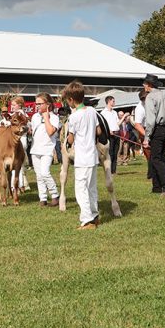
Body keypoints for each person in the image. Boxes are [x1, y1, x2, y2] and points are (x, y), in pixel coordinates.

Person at [63, 81, 101, 229]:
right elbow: (98, 132)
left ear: (71, 100)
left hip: (82, 158)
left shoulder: (74, 117)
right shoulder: (92, 111)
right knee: (92, 188)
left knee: (81, 189)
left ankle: (87, 220)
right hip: (92, 156)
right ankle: (95, 215)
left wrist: (68, 137)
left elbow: (71, 139)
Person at [141, 74, 165, 197]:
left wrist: (146, 137)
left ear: (149, 85)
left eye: (144, 83)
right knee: (160, 157)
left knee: (156, 159)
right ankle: (156, 186)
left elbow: (150, 121)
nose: (143, 85)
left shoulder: (150, 97)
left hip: (157, 130)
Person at [28, 93, 61, 207]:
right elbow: (32, 131)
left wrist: (46, 117)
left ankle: (55, 195)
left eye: (40, 104)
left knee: (45, 173)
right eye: (36, 104)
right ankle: (42, 198)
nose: (37, 106)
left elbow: (51, 131)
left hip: (47, 149)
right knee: (38, 175)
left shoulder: (55, 117)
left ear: (48, 104)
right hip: (35, 149)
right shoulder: (34, 117)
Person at [100, 96, 121, 173]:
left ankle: (114, 170)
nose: (114, 103)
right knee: (110, 153)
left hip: (117, 134)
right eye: (113, 101)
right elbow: (102, 125)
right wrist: (108, 131)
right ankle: (109, 170)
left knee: (115, 153)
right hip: (109, 135)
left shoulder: (115, 112)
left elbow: (117, 124)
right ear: (109, 102)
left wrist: (124, 117)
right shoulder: (103, 113)